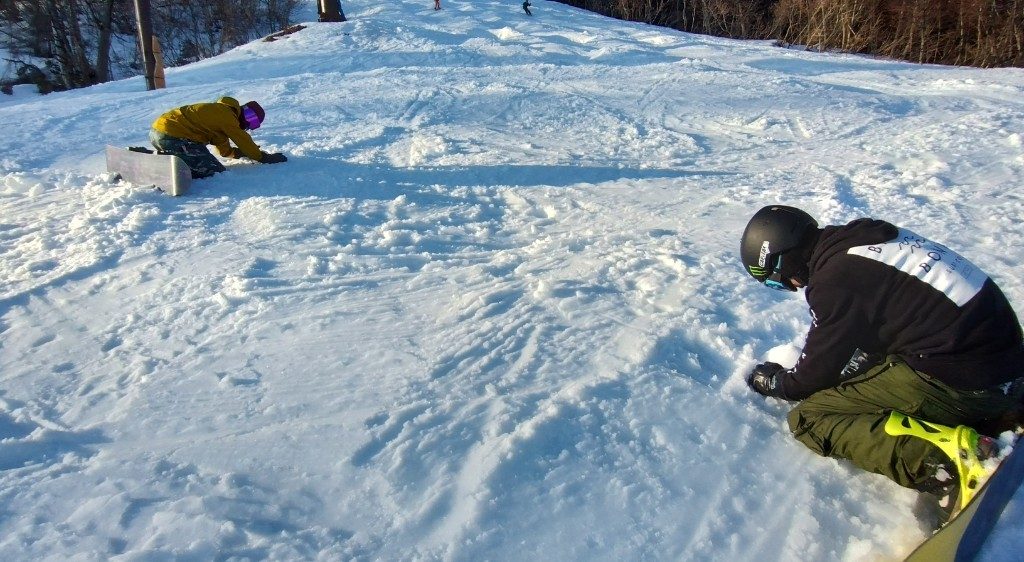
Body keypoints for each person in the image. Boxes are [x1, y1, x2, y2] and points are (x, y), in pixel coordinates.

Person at [739, 204, 1024, 524]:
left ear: (783, 256)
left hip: (971, 380)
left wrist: (775, 381)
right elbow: (881, 326)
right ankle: (998, 410)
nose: (791, 287)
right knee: (872, 370)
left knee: (811, 417)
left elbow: (811, 377)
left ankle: (946, 463)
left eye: (774, 280)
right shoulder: (863, 239)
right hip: (1007, 357)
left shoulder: (835, 280)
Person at [149, 96, 287, 179]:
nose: (249, 125)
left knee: (206, 162)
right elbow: (241, 138)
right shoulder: (226, 115)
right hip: (175, 136)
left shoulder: (218, 119)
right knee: (213, 171)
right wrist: (262, 157)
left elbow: (225, 151)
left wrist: (240, 153)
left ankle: (160, 158)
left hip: (160, 132)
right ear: (243, 112)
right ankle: (169, 171)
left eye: (254, 124)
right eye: (252, 120)